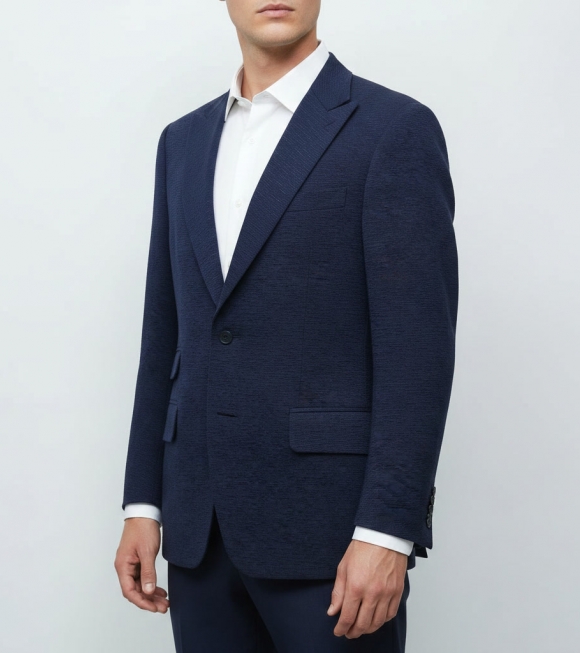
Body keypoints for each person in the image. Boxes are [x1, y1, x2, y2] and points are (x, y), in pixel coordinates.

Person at [114, 1, 458, 650]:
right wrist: (143, 502)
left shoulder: (393, 129)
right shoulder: (182, 142)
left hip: (332, 537)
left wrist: (388, 530)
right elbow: (165, 333)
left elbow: (418, 356)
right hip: (198, 530)